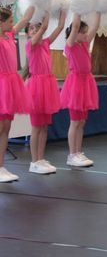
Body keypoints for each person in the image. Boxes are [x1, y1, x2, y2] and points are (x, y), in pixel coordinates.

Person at [25, 11, 67, 174]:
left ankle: (40, 158)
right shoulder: (30, 44)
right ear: (28, 33)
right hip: (37, 86)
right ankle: (34, 161)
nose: (35, 30)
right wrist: (47, 9)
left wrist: (63, 10)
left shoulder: (46, 43)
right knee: (36, 126)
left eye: (36, 27)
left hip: (48, 85)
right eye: (31, 28)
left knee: (44, 126)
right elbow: (44, 28)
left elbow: (60, 27)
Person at [61, 13, 101, 167]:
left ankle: (78, 152)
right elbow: (75, 26)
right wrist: (77, 10)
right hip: (76, 84)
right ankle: (72, 154)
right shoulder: (70, 45)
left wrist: (98, 11)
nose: (86, 34)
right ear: (75, 33)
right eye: (83, 32)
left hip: (86, 82)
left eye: (85, 32)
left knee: (82, 122)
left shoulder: (84, 44)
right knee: (75, 122)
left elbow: (95, 28)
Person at [0, 6, 34, 183]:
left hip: (12, 83)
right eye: (10, 21)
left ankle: (1, 166)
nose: (13, 23)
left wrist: (35, 0)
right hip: (2, 84)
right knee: (1, 127)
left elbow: (25, 18)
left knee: (6, 128)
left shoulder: (9, 34)